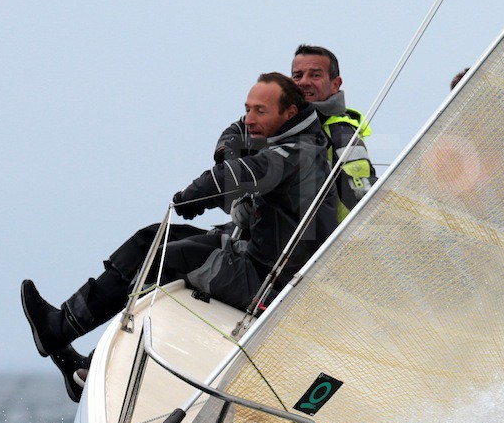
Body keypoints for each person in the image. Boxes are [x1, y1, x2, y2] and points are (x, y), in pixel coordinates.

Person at [21, 72, 336, 401]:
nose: (249, 119)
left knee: (162, 262)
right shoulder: (286, 137)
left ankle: (97, 368)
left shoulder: (297, 153)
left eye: (260, 111)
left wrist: (192, 198)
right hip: (251, 254)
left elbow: (233, 177)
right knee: (151, 239)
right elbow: (235, 134)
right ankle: (60, 327)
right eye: (248, 109)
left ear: (289, 113)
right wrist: (229, 154)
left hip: (270, 285)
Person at [217, 44, 376, 221]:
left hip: (314, 234)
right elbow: (233, 136)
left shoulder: (341, 133)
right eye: (297, 76)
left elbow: (361, 198)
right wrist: (237, 197)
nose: (304, 82)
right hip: (268, 228)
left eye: (315, 75)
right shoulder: (278, 118)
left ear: (335, 84)